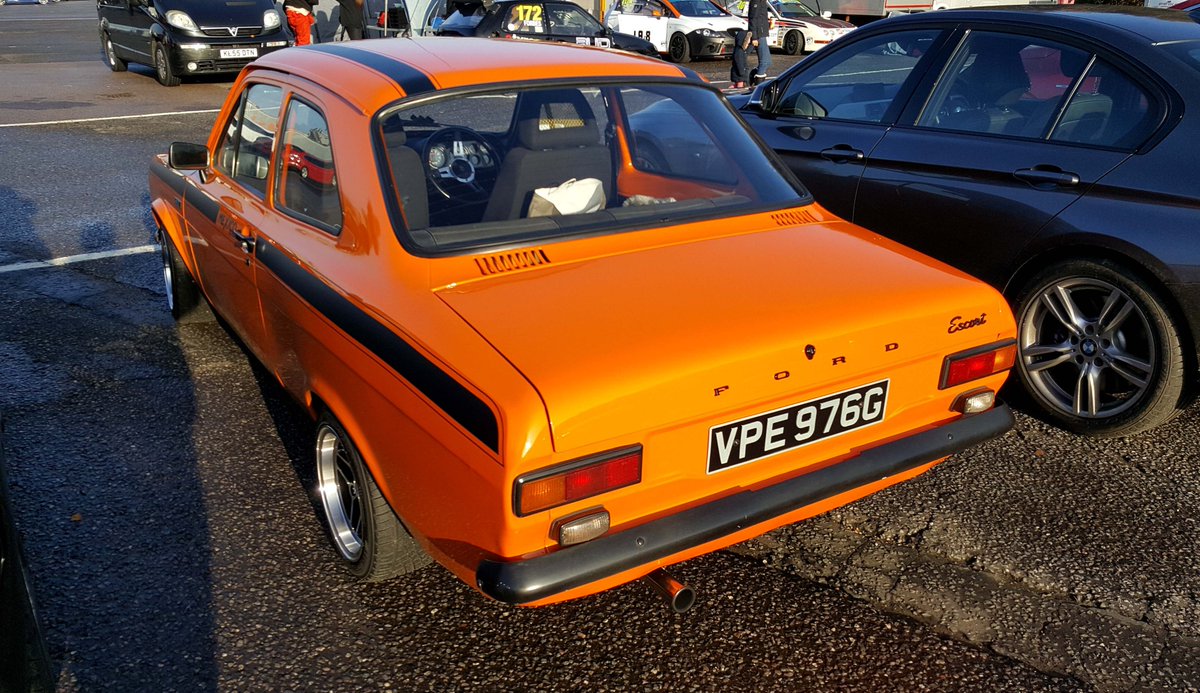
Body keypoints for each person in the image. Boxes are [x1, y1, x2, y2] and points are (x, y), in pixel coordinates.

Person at [746, 0, 771, 84]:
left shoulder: (762, 2)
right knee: (764, 62)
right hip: (758, 34)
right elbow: (753, 19)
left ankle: (754, 75)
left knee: (767, 62)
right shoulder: (756, 1)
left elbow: (761, 18)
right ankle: (758, 85)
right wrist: (754, 37)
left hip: (762, 33)